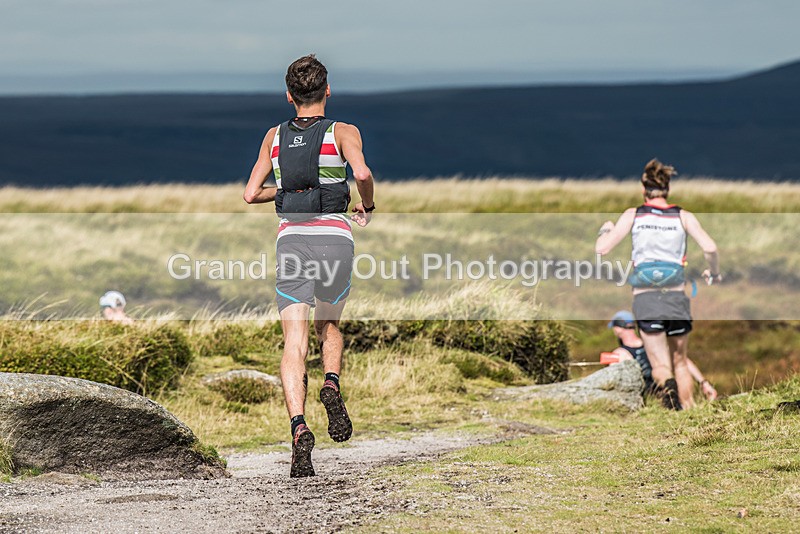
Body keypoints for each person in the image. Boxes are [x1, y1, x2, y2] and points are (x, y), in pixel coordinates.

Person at [243, 55, 376, 477]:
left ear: (289, 96)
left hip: (291, 241)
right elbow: (362, 172)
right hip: (335, 239)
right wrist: (366, 204)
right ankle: (331, 383)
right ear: (327, 90)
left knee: (293, 341)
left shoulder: (273, 136)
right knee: (329, 326)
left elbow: (250, 194)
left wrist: (286, 189)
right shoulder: (343, 131)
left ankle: (299, 428)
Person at [596, 159, 720, 410]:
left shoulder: (634, 214)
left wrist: (605, 231)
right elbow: (710, 247)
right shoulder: (683, 216)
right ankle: (689, 413)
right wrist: (713, 271)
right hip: (676, 296)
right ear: (668, 190)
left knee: (661, 366)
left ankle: (670, 397)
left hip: (646, 297)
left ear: (644, 190)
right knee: (681, 361)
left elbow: (603, 249)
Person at [606, 310, 718, 401]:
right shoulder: (655, 347)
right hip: (672, 395)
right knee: (680, 363)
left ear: (618, 328)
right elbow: (684, 361)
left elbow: (612, 381)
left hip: (648, 400)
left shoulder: (620, 354)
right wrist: (704, 383)